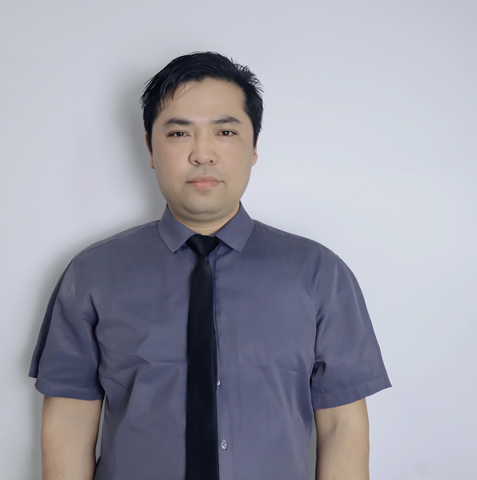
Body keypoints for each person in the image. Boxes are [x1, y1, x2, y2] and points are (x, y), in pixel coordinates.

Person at [29, 51, 391, 480]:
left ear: (253, 146)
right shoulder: (94, 273)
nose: (202, 154)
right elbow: (70, 417)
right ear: (150, 147)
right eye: (179, 132)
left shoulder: (318, 274)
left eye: (225, 131)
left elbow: (342, 424)